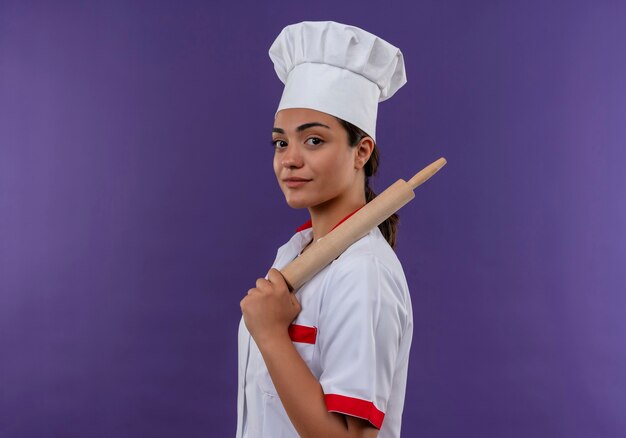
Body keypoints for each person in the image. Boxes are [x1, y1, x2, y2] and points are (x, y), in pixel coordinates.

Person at [236, 21, 413, 438]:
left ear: (361, 151)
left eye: (313, 140)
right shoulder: (294, 252)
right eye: (281, 143)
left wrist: (271, 334)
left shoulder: (363, 272)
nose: (290, 159)